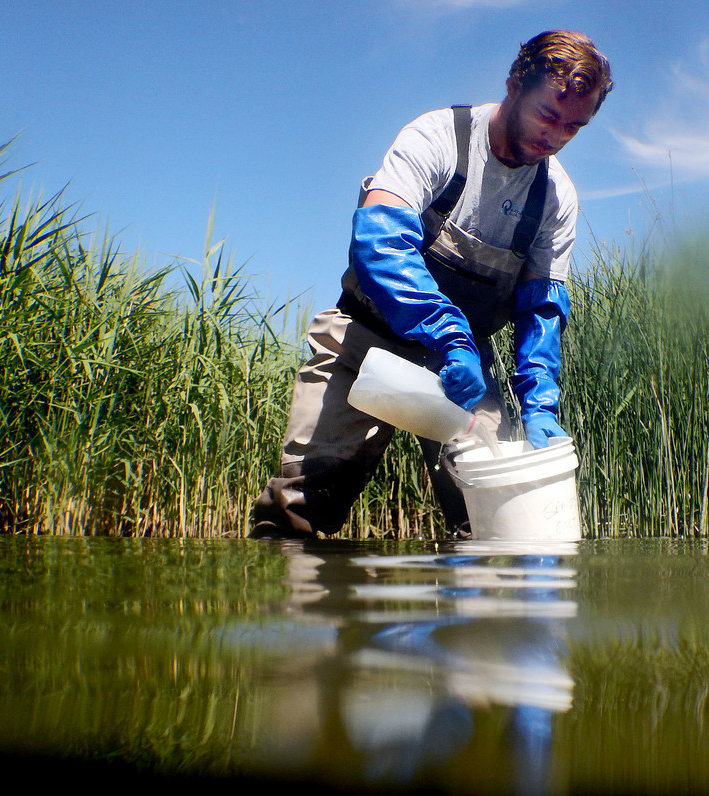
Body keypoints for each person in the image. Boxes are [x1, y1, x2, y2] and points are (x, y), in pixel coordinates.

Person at [250, 29, 613, 539]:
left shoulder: (556, 198)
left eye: (572, 128)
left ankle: (476, 614)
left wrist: (540, 406)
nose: (553, 136)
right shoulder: (438, 137)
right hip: (363, 338)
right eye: (547, 114)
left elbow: (541, 311)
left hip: (463, 375)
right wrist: (447, 336)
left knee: (493, 519)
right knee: (299, 507)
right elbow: (379, 242)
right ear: (514, 85)